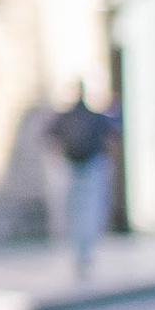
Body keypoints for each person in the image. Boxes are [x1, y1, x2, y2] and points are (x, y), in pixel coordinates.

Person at [48, 83, 119, 279]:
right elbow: (111, 139)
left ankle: (82, 253)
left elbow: (51, 140)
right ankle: (82, 253)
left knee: (80, 213)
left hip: (81, 168)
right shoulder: (88, 117)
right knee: (87, 213)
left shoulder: (75, 117)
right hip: (82, 168)